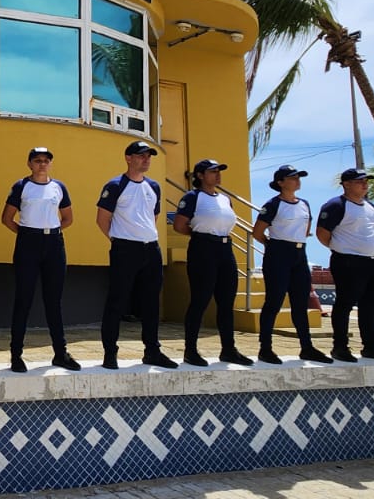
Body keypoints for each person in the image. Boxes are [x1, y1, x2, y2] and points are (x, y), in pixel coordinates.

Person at [96, 140, 178, 370]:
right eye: (141, 156)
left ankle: (152, 351)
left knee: (151, 302)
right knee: (117, 301)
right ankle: (110, 353)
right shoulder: (115, 185)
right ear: (128, 158)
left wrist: (146, 238)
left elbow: (152, 216)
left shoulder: (154, 186)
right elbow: (102, 219)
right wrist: (118, 240)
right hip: (125, 249)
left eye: (149, 156)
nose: (146, 159)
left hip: (151, 249)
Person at [3, 146, 80, 373]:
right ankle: (16, 354)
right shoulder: (21, 186)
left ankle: (60, 352)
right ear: (29, 163)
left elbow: (68, 218)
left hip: (54, 245)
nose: (42, 164)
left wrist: (50, 231)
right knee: (23, 300)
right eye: (37, 160)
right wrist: (29, 234)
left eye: (46, 160)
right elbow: (7, 218)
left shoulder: (59, 187)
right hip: (28, 244)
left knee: (53, 301)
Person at [173, 157, 254, 367]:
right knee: (200, 300)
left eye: (219, 170)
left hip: (225, 248)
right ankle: (190, 350)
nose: (217, 175)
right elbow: (180, 225)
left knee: (226, 302)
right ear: (200, 176)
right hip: (203, 249)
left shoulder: (225, 199)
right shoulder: (193, 197)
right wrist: (202, 236)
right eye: (212, 171)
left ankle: (228, 349)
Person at [251, 164, 330, 365]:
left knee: (300, 302)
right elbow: (258, 232)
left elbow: (305, 229)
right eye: (292, 178)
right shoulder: (273, 204)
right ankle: (265, 348)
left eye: (298, 177)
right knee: (274, 301)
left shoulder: (304, 203)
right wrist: (272, 246)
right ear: (280, 182)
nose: (297, 181)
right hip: (278, 253)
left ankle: (307, 346)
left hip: (299, 254)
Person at [315, 168, 374, 362]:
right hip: (349, 261)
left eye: (366, 181)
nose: (365, 184)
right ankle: (340, 347)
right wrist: (342, 248)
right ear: (346, 184)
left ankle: (370, 345)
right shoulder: (335, 205)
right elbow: (322, 233)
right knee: (345, 303)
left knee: (370, 305)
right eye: (360, 181)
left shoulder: (370, 206)